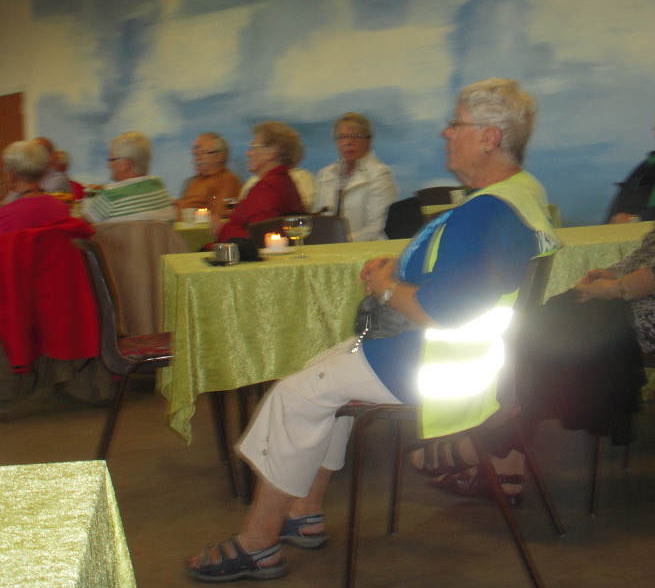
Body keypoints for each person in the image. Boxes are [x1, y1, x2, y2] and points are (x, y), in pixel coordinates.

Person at [185, 78, 557, 582]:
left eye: (456, 124)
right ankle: (305, 513)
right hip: (477, 359)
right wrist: (400, 274)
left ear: (490, 138)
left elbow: (443, 311)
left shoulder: (486, 211)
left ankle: (257, 545)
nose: (446, 133)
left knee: (293, 396)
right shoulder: (523, 194)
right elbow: (469, 285)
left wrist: (386, 287)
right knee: (319, 373)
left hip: (440, 366)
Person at [421, 57, 655, 505]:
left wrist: (617, 289)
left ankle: (488, 450)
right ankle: (504, 466)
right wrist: (612, 274)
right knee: (542, 321)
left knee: (535, 330)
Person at [0, 140, 73, 391]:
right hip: (56, 293)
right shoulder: (61, 209)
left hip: (17, 296)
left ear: (12, 174)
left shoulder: (3, 216)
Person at [214, 122, 306, 244]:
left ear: (271, 153)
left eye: (253, 147)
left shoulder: (268, 188)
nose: (247, 153)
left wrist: (221, 229)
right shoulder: (283, 181)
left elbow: (258, 238)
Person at [315, 112, 399, 241]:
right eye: (342, 137)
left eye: (356, 136)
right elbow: (318, 221)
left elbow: (376, 228)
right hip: (331, 247)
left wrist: (338, 242)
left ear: (369, 141)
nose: (348, 142)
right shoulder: (326, 174)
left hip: (369, 248)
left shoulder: (380, 174)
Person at [82, 131, 176, 223]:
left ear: (126, 164)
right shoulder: (159, 186)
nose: (108, 166)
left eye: (111, 160)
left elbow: (82, 226)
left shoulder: (111, 194)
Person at [176, 133, 241, 218]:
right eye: (196, 154)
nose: (197, 159)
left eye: (203, 153)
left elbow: (220, 217)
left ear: (219, 156)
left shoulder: (227, 180)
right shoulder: (194, 181)